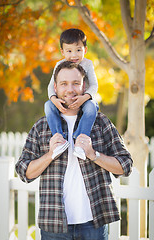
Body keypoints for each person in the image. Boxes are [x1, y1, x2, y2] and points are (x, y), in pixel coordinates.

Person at [15, 61, 133, 240]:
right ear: (55, 88)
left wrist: (94, 155)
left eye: (75, 83)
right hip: (53, 225)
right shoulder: (42, 127)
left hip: (94, 223)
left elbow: (125, 166)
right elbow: (24, 172)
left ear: (84, 86)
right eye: (64, 84)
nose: (70, 89)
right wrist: (49, 155)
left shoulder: (100, 123)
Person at [44, 28, 99, 161]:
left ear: (85, 50)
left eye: (78, 50)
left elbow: (94, 85)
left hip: (84, 98)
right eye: (69, 51)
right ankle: (59, 139)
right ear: (62, 52)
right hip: (63, 100)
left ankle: (80, 141)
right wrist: (54, 99)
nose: (74, 55)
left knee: (92, 108)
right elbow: (51, 86)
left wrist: (84, 98)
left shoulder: (88, 64)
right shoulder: (59, 64)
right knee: (48, 106)